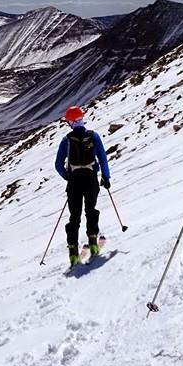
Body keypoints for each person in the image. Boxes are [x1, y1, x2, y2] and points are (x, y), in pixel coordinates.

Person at [55, 106, 112, 267]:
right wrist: (106, 177)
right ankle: (93, 243)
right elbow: (102, 158)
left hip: (74, 183)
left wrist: (69, 177)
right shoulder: (93, 136)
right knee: (91, 210)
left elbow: (58, 164)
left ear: (70, 122)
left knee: (74, 217)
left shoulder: (66, 141)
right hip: (91, 180)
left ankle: (73, 252)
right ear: (81, 118)